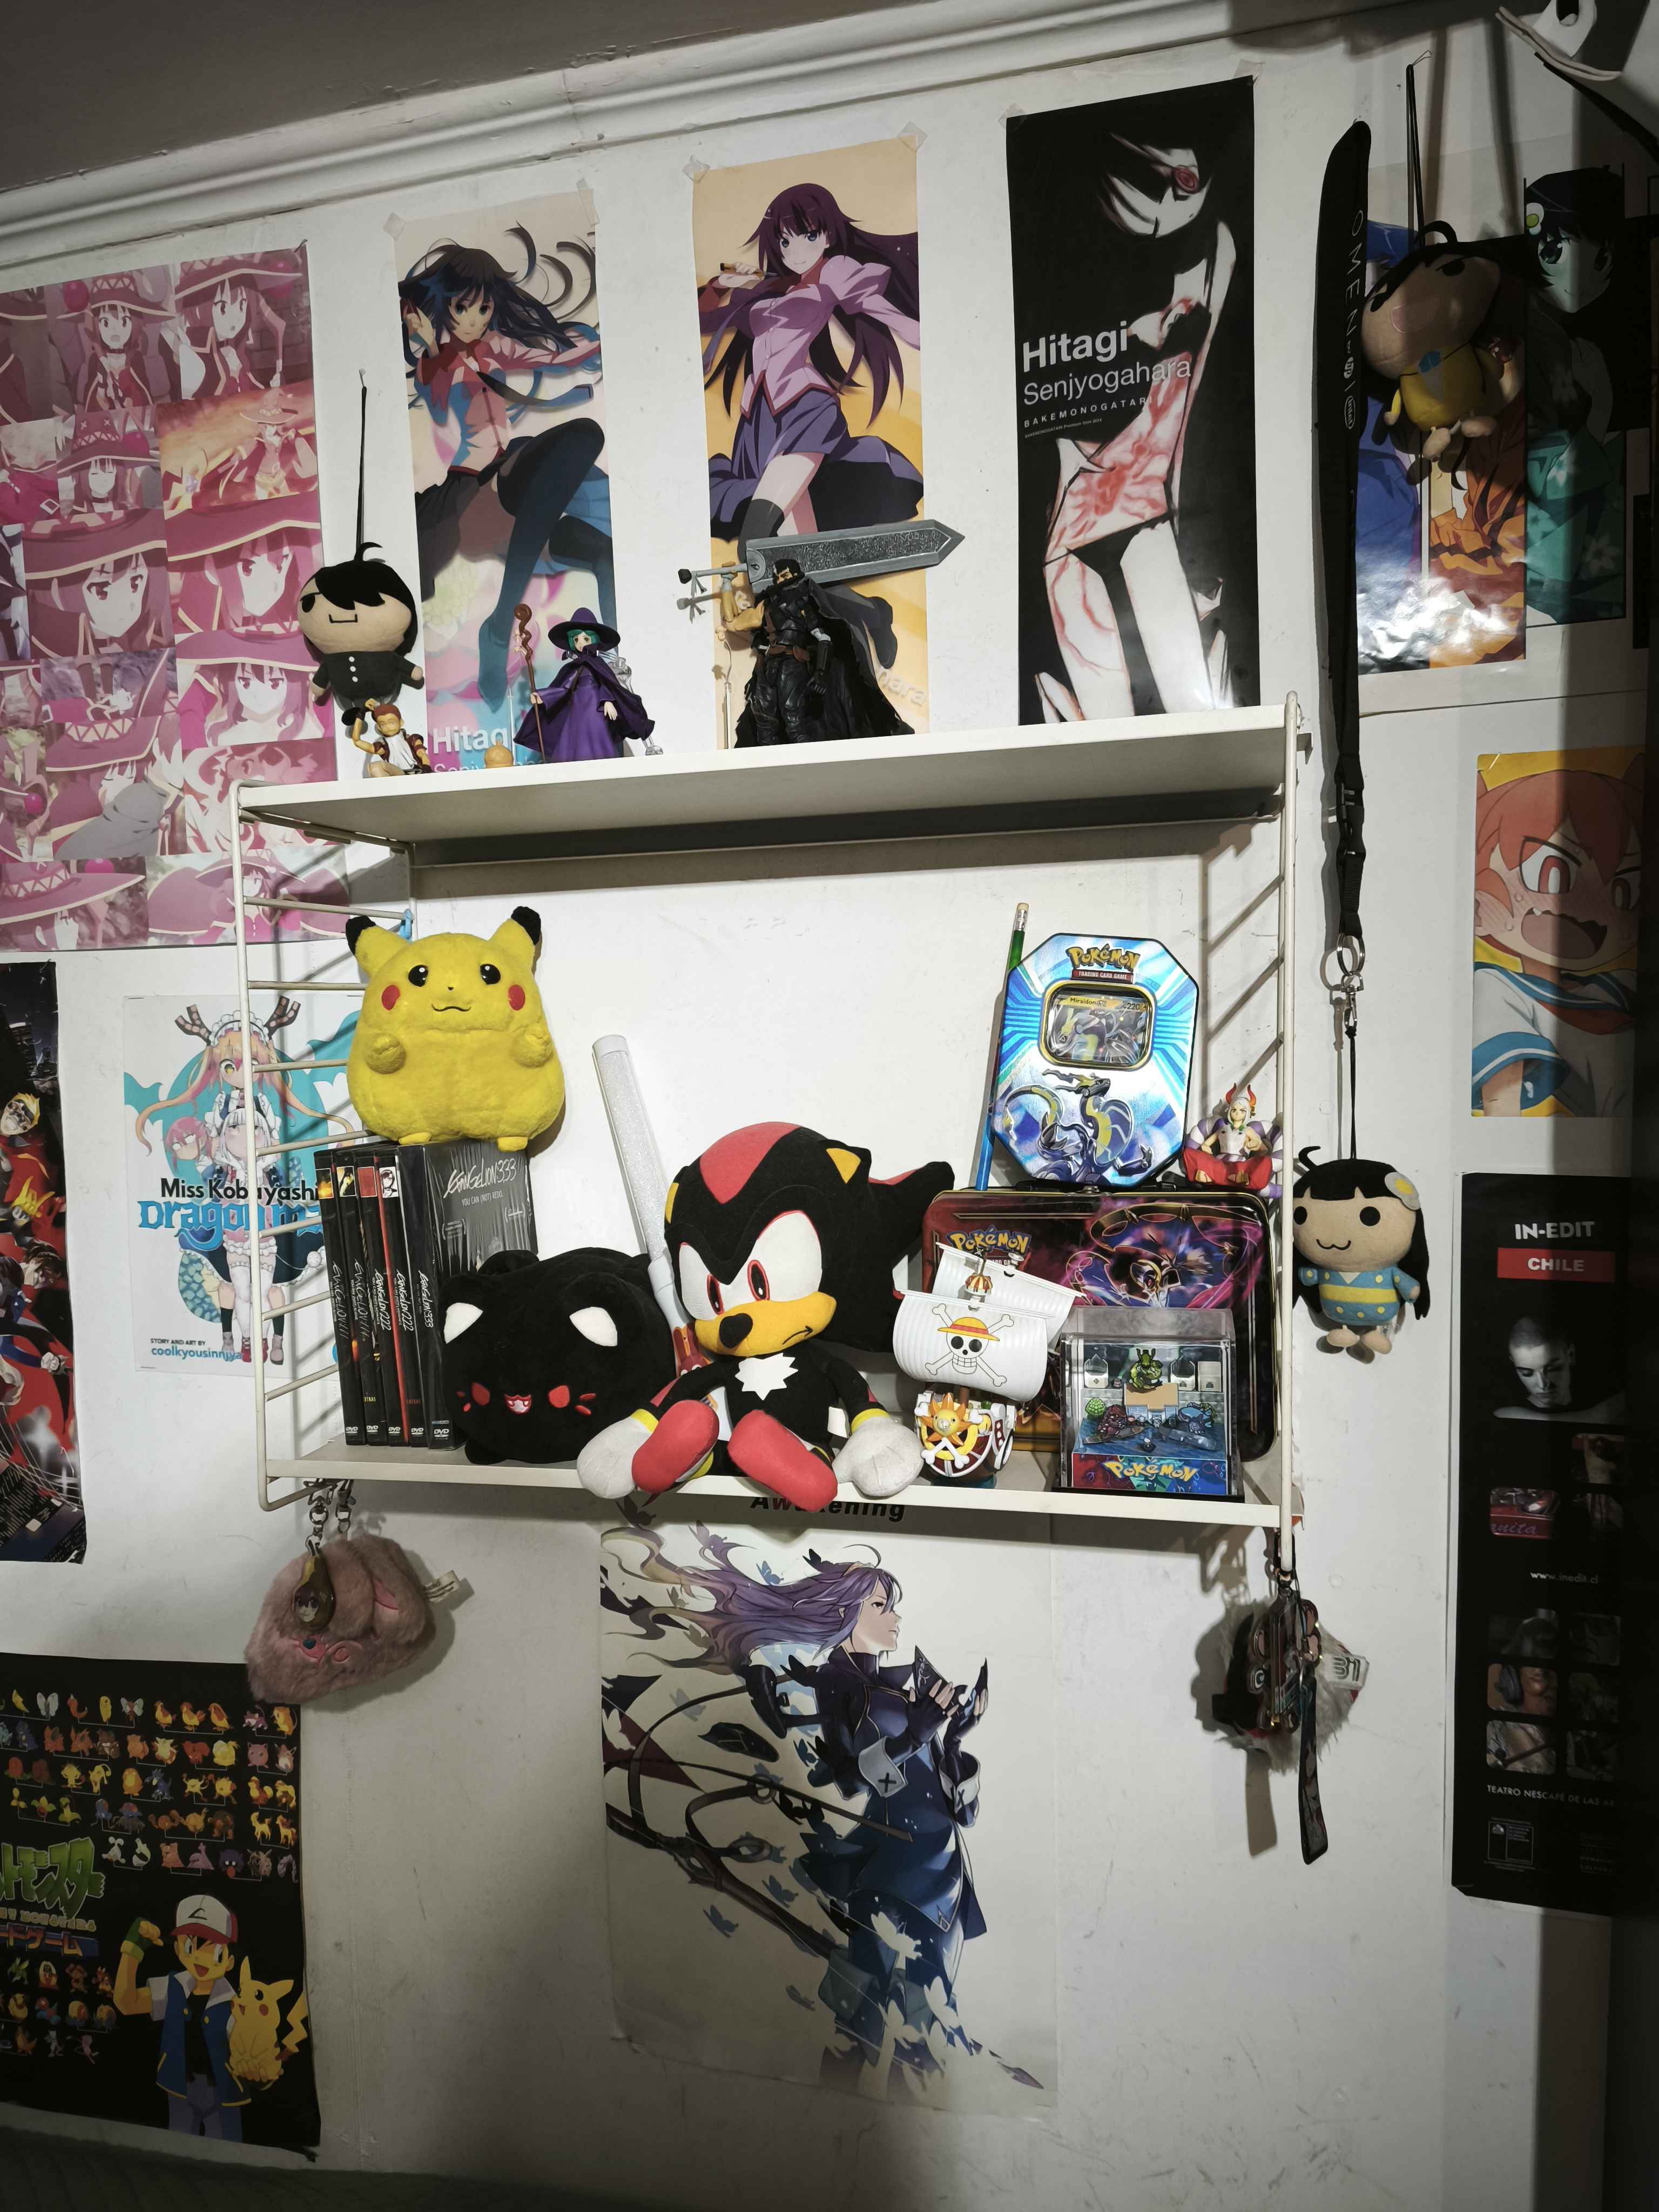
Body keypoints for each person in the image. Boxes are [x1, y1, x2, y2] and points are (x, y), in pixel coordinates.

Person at [401, 228, 611, 709]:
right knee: (582, 433)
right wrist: (431, 348)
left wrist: (599, 344)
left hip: (512, 467)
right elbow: (438, 403)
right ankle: (501, 622)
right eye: (463, 308)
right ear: (445, 307)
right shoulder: (440, 363)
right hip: (473, 485)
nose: (474, 320)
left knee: (605, 549)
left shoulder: (492, 346)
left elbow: (551, 358)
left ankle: (614, 673)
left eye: (483, 308)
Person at [1473, 759, 1641, 1117]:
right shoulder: (1498, 988)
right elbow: (1501, 1109)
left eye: (1623, 888)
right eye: (1551, 872)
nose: (1587, 905)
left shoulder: (1618, 987)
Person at [112, 1893, 250, 2140]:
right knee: (178, 2147)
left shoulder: (236, 2003)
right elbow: (126, 2003)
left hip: (224, 2093)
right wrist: (132, 1950)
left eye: (214, 1952)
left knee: (228, 2153)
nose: (200, 1958)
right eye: (190, 1947)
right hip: (179, 2088)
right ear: (178, 1949)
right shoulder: (173, 1987)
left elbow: (251, 2050)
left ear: (229, 1961)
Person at [733, 554, 911, 746]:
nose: (780, 581)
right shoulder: (769, 602)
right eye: (777, 578)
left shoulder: (805, 595)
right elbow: (739, 622)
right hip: (778, 662)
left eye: (784, 576)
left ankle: (877, 612)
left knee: (833, 603)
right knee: (769, 721)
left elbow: (824, 634)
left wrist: (821, 671)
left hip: (798, 655)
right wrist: (728, 584)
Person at [512, 607, 653, 763]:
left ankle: (600, 759)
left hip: (595, 707)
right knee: (575, 735)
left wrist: (607, 701)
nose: (580, 643)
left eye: (586, 639)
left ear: (594, 639)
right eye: (576, 640)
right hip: (577, 708)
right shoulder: (574, 667)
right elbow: (565, 688)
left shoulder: (598, 664)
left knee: (596, 732)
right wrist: (543, 696)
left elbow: (607, 684)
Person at [1496, 1315, 1624, 1423]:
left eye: (1553, 1369)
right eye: (1527, 1373)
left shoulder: (1601, 1397)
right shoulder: (1505, 1413)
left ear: (1571, 1355)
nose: (1543, 1385)